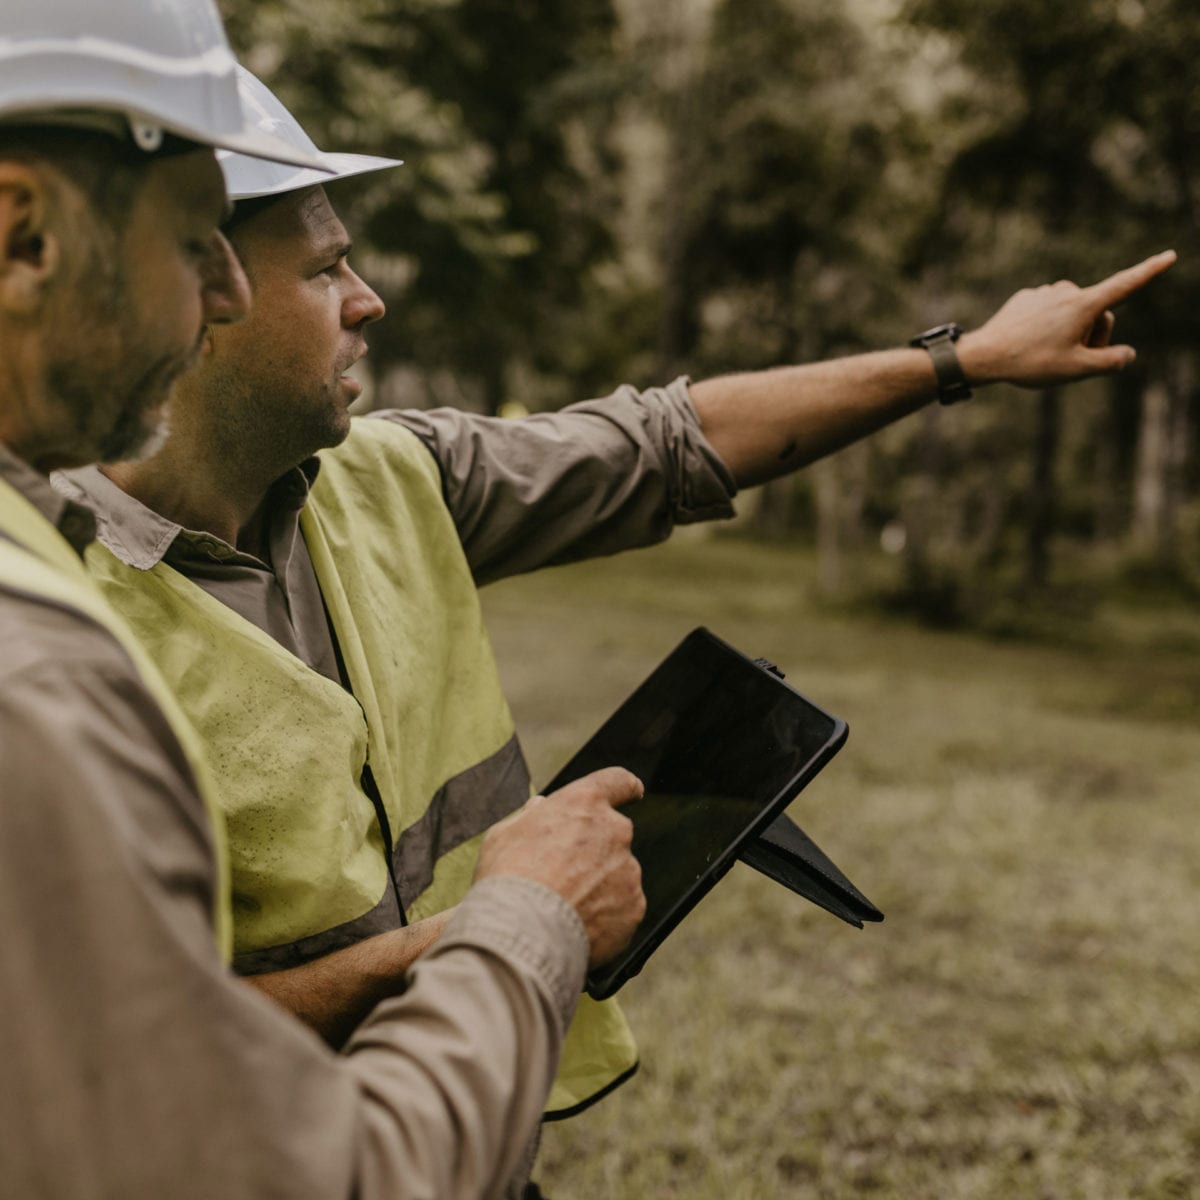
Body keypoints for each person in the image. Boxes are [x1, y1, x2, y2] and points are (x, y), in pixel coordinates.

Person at [57, 63, 1177, 1125]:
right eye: (324, 270)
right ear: (191, 298)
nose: (369, 302)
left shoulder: (393, 476)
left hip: (456, 1132)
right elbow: (94, 1055)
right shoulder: (47, 621)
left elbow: (662, 444)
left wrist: (962, 361)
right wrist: (510, 923)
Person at [0, 5, 646, 1198]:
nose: (226, 293)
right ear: (23, 235)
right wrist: (525, 919)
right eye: (194, 234)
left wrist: (952, 360)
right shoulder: (35, 673)